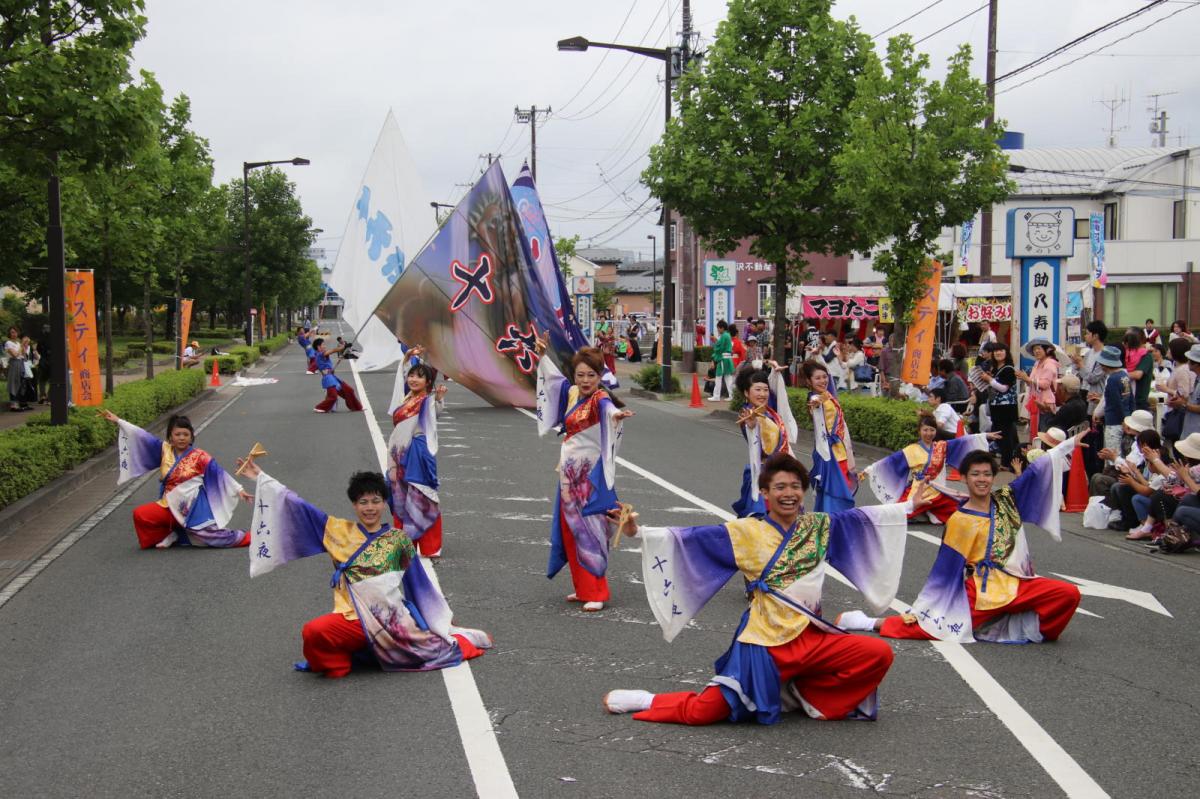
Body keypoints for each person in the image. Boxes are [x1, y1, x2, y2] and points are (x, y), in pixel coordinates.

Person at [602, 453, 918, 725]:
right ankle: (646, 699)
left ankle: (803, 695)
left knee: (877, 653)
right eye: (780, 487)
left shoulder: (817, 526)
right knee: (706, 712)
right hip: (765, 641)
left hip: (811, 636)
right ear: (764, 492)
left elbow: (861, 519)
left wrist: (909, 506)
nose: (789, 494)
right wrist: (637, 532)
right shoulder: (746, 531)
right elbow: (694, 538)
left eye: (795, 486)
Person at [242, 463, 491, 678]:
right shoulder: (338, 531)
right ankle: (342, 662)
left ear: (384, 503)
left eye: (375, 501)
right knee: (314, 632)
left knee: (438, 647)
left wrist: (439, 620)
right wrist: (261, 478)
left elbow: (419, 586)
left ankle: (374, 652)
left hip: (392, 622)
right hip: (352, 618)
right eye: (363, 502)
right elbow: (299, 507)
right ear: (354, 505)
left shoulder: (399, 540)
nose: (369, 507)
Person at [839, 442, 1083, 644]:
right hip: (983, 590)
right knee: (934, 626)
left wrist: (1067, 445)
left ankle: (1024, 628)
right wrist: (935, 604)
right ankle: (869, 622)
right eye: (975, 474)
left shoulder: (1005, 501)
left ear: (994, 477)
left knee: (1067, 594)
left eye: (987, 474)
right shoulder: (959, 520)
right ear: (964, 478)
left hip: (1017, 582)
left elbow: (1033, 475)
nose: (982, 479)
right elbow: (945, 572)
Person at [535, 340, 634, 612]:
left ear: (600, 376)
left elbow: (609, 410)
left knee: (590, 531)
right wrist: (543, 356)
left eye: (591, 375)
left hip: (588, 478)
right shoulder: (573, 393)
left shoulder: (600, 399)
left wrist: (617, 416)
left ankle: (597, 591)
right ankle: (582, 588)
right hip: (568, 475)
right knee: (571, 532)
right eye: (580, 375)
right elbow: (554, 381)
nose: (586, 380)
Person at [100, 409, 250, 548]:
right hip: (168, 505)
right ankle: (170, 533)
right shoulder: (164, 450)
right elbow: (141, 436)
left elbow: (219, 474)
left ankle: (245, 537)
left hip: (192, 507)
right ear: (170, 436)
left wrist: (239, 490)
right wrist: (119, 421)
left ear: (191, 437)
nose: (181, 438)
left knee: (214, 537)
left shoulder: (200, 456)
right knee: (140, 514)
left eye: (185, 434)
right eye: (177, 434)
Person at [861, 413, 993, 523]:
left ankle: (929, 512)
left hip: (937, 492)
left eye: (932, 430)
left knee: (959, 512)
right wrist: (868, 470)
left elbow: (961, 442)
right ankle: (866, 516)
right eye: (925, 430)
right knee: (897, 515)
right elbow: (891, 461)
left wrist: (985, 436)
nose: (929, 433)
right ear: (919, 431)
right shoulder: (911, 450)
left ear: (936, 431)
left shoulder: (941, 446)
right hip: (918, 492)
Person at [386, 346, 447, 559]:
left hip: (418, 454)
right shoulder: (405, 398)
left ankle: (430, 545)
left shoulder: (427, 401)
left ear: (428, 382)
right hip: (398, 453)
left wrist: (438, 399)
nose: (413, 379)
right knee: (400, 497)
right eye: (411, 376)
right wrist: (407, 357)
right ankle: (405, 543)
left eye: (419, 377)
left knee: (422, 496)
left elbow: (435, 412)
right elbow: (402, 375)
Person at [731, 363, 798, 518]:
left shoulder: (767, 411)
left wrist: (775, 374)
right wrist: (752, 426)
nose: (763, 394)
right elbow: (751, 430)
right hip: (765, 474)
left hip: (780, 471)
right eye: (758, 390)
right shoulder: (748, 415)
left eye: (765, 389)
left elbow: (776, 396)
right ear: (746, 392)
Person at [803, 360, 856, 513]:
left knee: (839, 490)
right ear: (809, 381)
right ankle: (833, 520)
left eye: (824, 377)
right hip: (829, 454)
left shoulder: (827, 395)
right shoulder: (815, 399)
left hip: (840, 451)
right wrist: (816, 404)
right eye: (817, 378)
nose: (823, 381)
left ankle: (834, 520)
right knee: (834, 492)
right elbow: (815, 406)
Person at [1093, 345, 1136, 454]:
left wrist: (1122, 420)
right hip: (1127, 419)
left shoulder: (1112, 379)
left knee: (1113, 454)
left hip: (1114, 421)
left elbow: (1116, 403)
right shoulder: (1124, 375)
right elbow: (1131, 398)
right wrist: (1129, 419)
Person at [1016, 338, 1059, 438]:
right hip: (1035, 400)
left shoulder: (1049, 363)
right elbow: (1032, 383)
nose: (1036, 351)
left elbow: (1045, 384)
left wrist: (1028, 379)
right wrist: (1025, 379)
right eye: (1034, 349)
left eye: (1039, 348)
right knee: (1035, 431)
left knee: (1043, 432)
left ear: (1046, 350)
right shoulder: (1037, 363)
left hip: (1045, 402)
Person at [986, 342, 1020, 466]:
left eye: (1001, 350)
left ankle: (1007, 463)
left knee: (1005, 436)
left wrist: (990, 380)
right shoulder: (995, 369)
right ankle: (1012, 460)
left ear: (1006, 353)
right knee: (1002, 434)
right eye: (996, 351)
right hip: (996, 407)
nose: (998, 353)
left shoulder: (1009, 369)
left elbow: (1004, 388)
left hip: (1006, 407)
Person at [312, 337, 363, 413]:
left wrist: (332, 369)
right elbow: (333, 350)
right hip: (328, 379)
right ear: (318, 347)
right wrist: (344, 347)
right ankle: (319, 407)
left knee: (349, 390)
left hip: (332, 377)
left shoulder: (321, 355)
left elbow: (326, 369)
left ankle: (356, 407)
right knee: (333, 396)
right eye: (323, 345)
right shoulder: (319, 354)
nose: (325, 346)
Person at [1073, 320, 1108, 416]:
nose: (1085, 336)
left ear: (1095, 336)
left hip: (1096, 395)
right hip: (1084, 392)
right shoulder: (1088, 353)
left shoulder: (1104, 355)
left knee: (1094, 419)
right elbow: (1081, 373)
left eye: (1088, 333)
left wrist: (1080, 364)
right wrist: (1076, 364)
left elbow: (1093, 378)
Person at [1123, 330, 1154, 411]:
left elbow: (1137, 375)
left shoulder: (1146, 355)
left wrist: (1118, 375)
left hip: (1139, 400)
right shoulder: (1126, 353)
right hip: (1126, 397)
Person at [5, 326, 30, 411]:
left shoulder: (18, 343)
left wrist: (25, 346)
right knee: (14, 382)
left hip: (21, 363)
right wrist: (22, 345)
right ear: (9, 333)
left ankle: (21, 403)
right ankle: (13, 405)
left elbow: (24, 356)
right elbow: (15, 355)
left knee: (22, 383)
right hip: (14, 363)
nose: (14, 334)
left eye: (15, 332)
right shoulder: (8, 343)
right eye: (12, 332)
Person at [709, 320, 735, 402]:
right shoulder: (727, 335)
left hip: (723, 359)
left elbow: (720, 348)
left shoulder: (724, 336)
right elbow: (720, 346)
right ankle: (731, 395)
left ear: (722, 328)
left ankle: (716, 396)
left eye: (718, 328)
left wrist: (715, 341)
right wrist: (716, 341)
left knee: (719, 377)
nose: (718, 330)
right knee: (727, 378)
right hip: (726, 358)